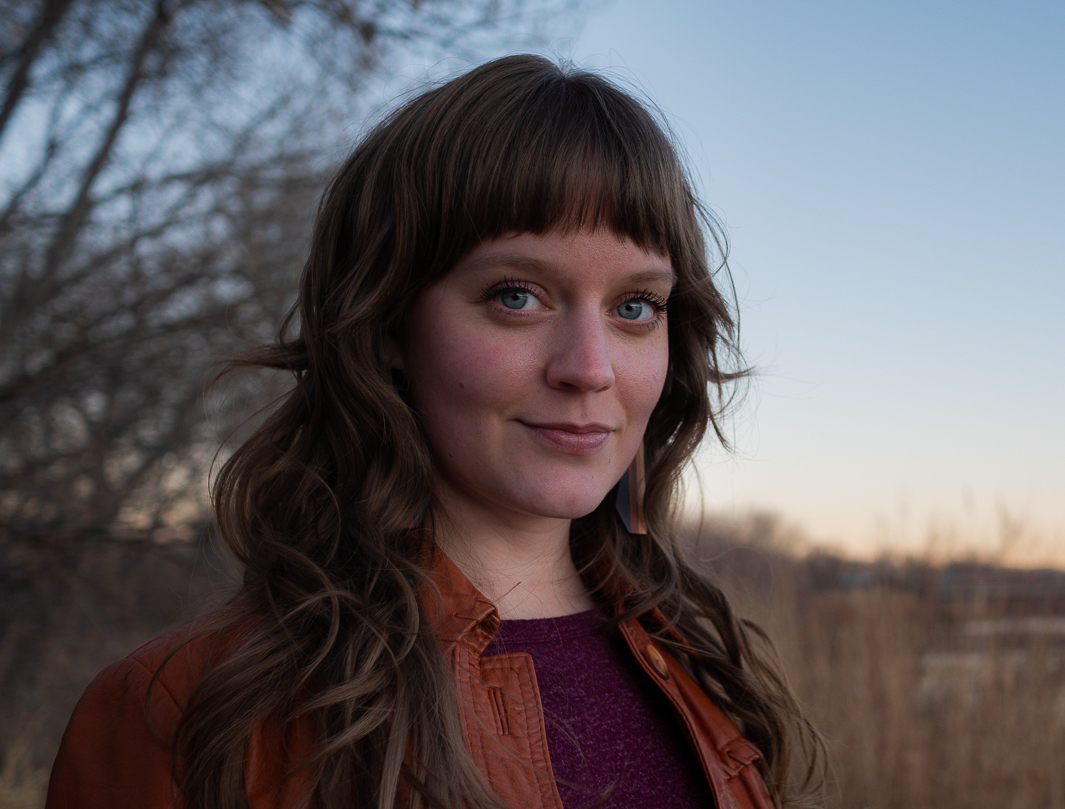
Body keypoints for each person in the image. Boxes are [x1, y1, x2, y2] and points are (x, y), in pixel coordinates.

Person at [46, 55, 823, 809]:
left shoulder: (696, 663)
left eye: (633, 306)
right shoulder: (184, 712)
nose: (590, 369)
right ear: (387, 321)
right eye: (516, 295)